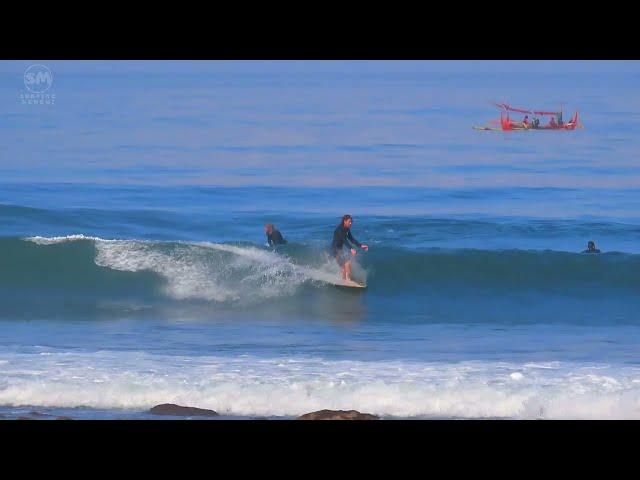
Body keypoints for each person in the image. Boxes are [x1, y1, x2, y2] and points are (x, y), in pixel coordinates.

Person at [331, 215, 368, 281]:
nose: (351, 223)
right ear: (345, 221)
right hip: (335, 250)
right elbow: (343, 239)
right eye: (349, 221)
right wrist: (351, 248)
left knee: (347, 264)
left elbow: (351, 239)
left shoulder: (347, 229)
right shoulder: (339, 229)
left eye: (351, 222)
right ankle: (347, 279)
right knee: (346, 264)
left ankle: (346, 278)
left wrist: (360, 245)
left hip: (340, 249)